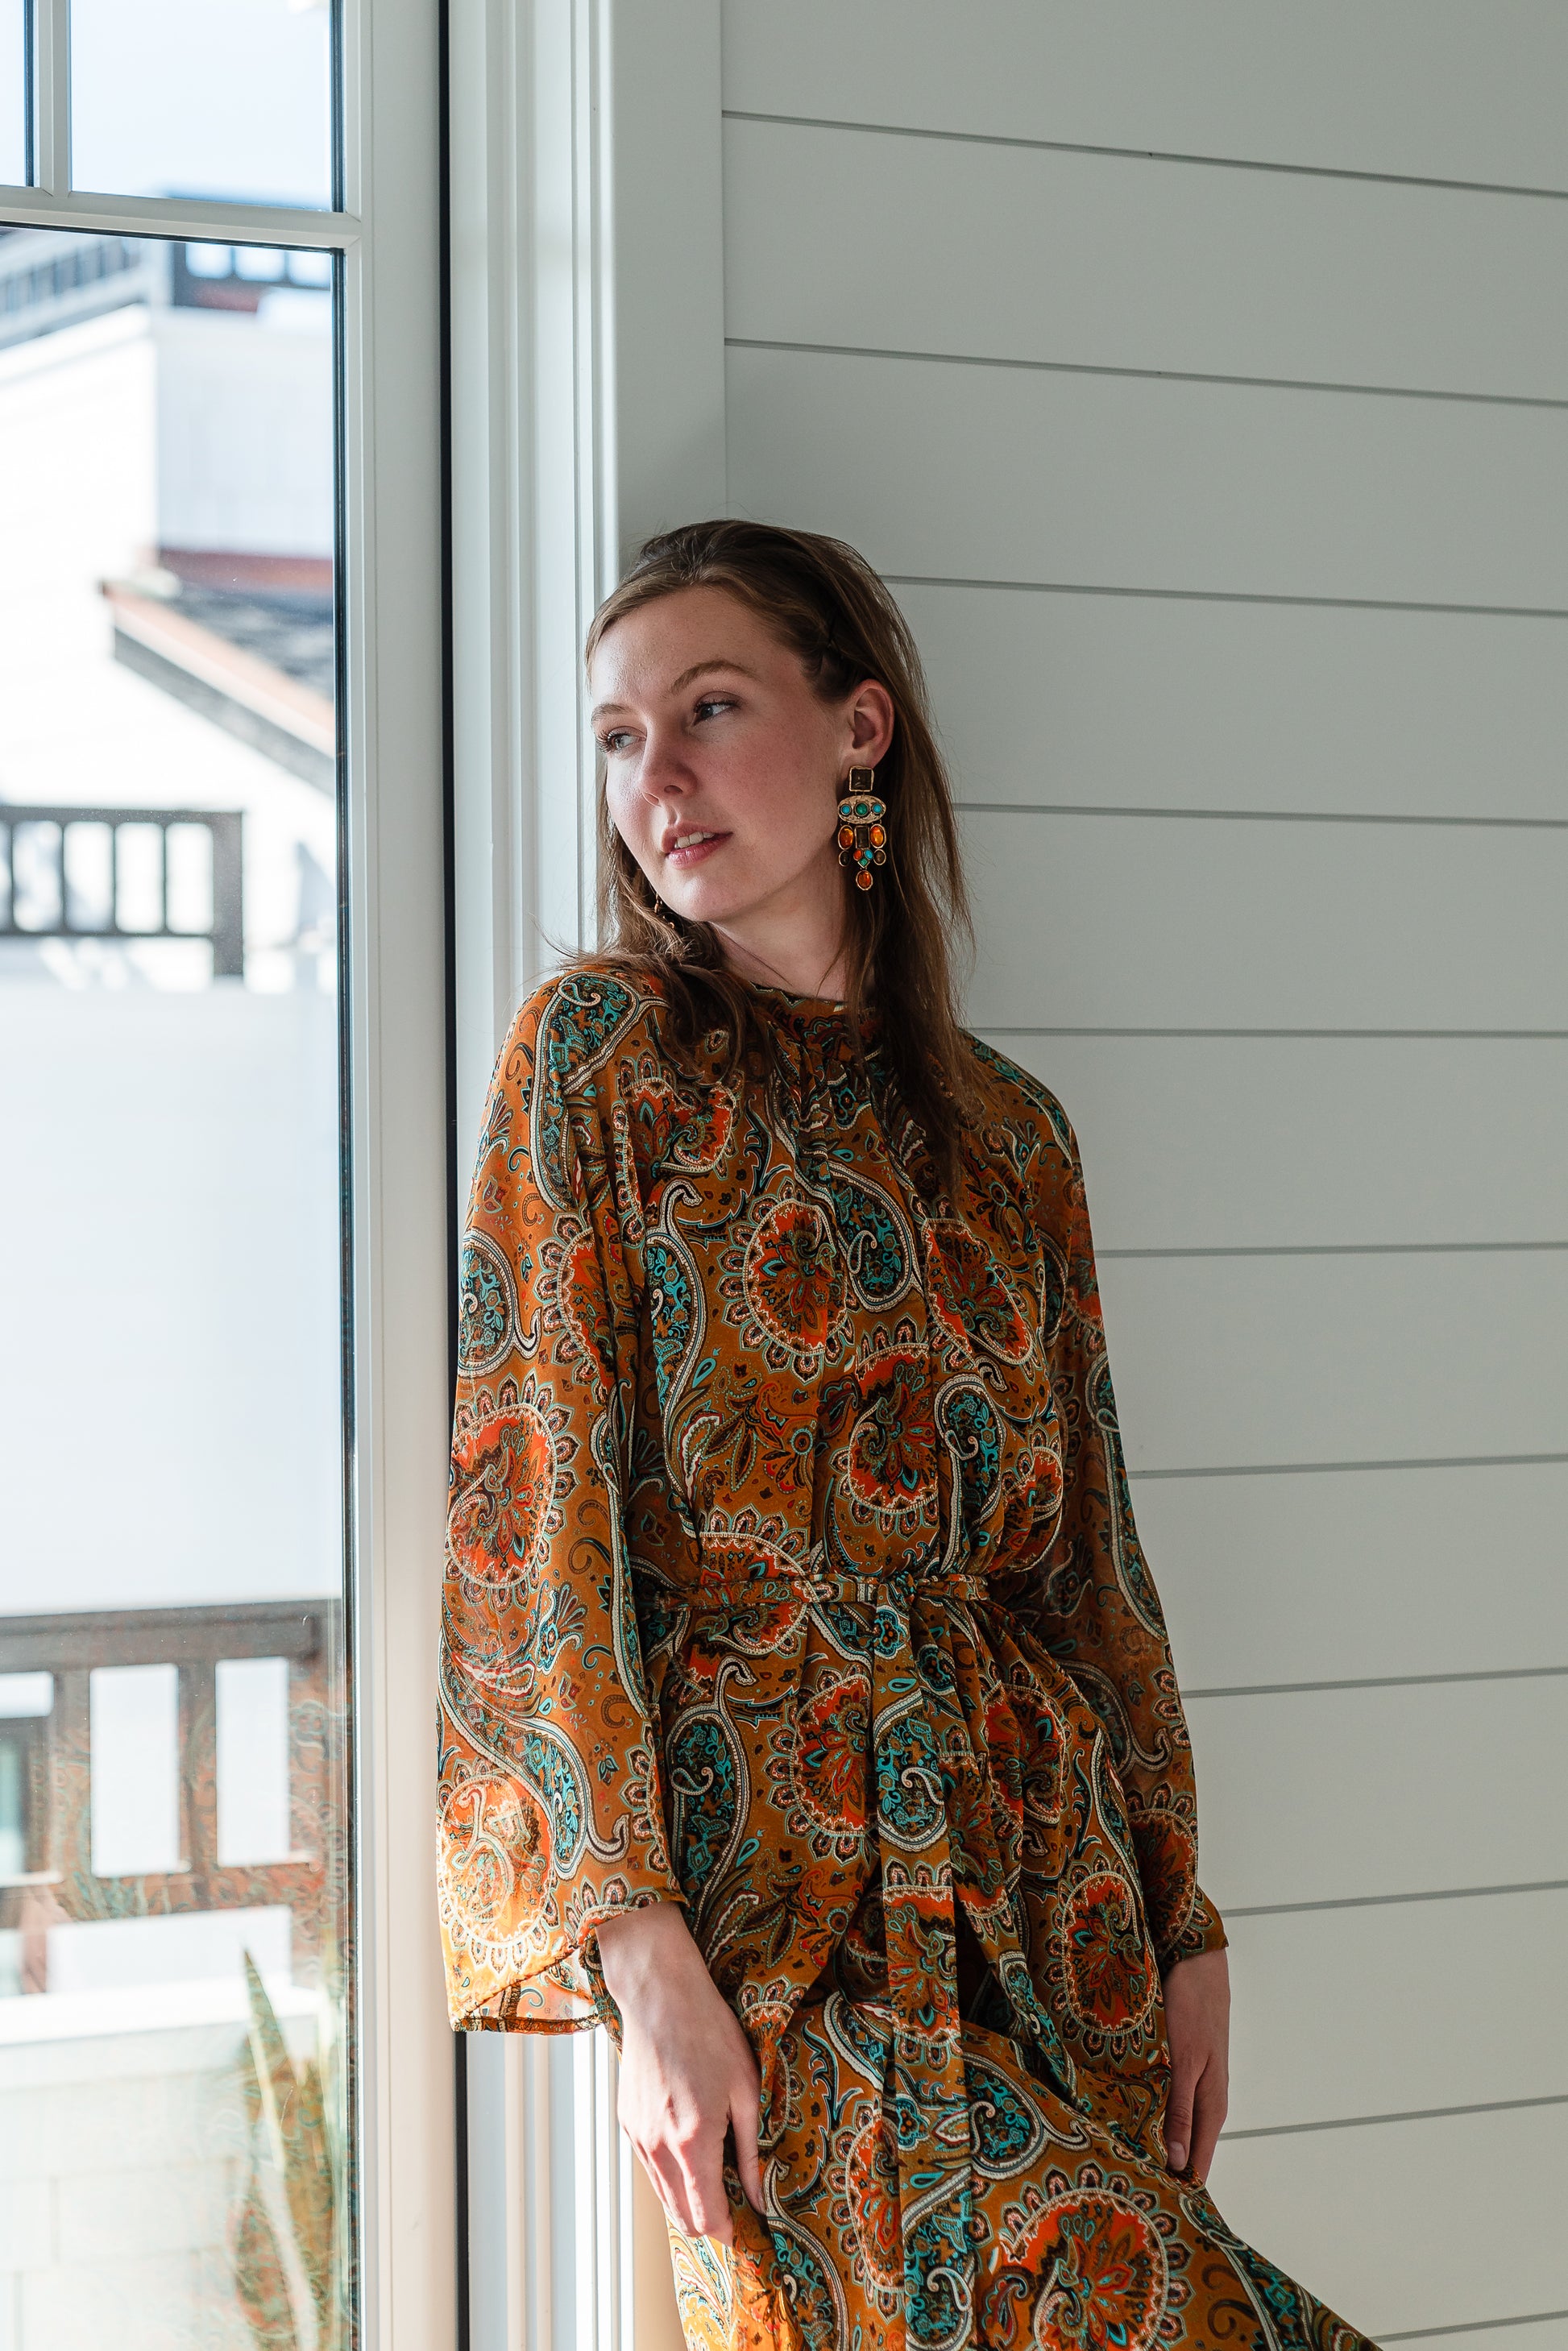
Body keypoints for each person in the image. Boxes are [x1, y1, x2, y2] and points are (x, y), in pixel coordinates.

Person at [438, 520, 1375, 2350]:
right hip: (777, 1918)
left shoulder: (1009, 1134)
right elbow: (521, 1516)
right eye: (621, 737)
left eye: (709, 707)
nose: (660, 777)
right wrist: (643, 1974)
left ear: (857, 725)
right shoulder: (599, 1060)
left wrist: (1184, 1919)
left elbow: (1090, 1555)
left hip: (1048, 1890)